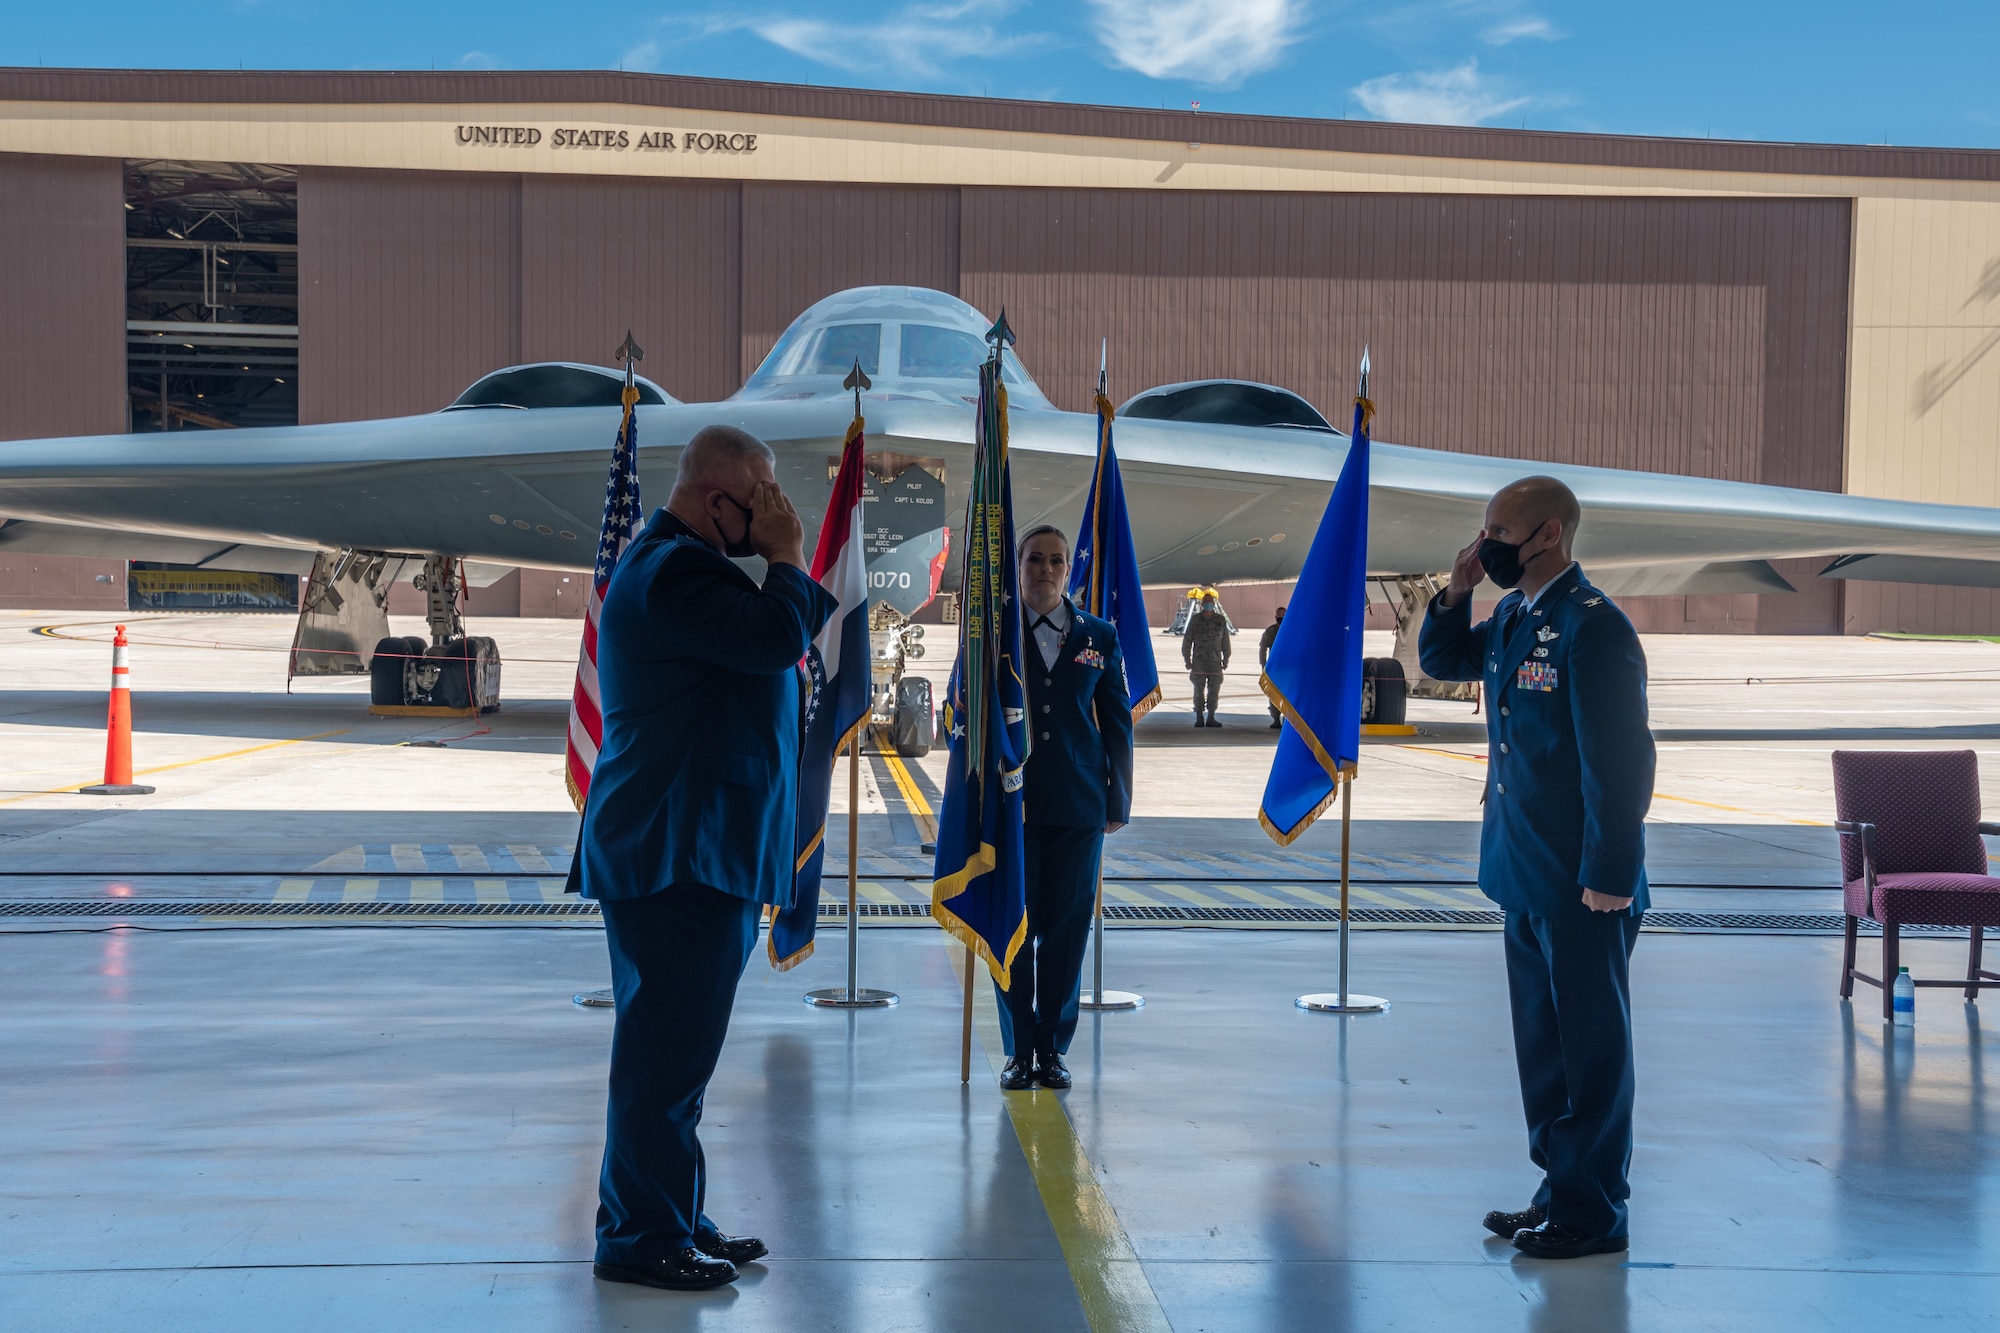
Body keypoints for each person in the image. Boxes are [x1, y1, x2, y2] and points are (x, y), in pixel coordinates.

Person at [573, 424, 837, 1291]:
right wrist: (791, 555)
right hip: (675, 852)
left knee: (677, 1055)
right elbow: (774, 638)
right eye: (763, 498)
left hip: (694, 848)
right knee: (663, 1055)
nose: (777, 513)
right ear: (719, 500)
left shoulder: (683, 565)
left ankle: (669, 1211)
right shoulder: (676, 570)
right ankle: (641, 1233)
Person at [1416, 475, 1654, 1262]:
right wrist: (1455, 590)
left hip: (1585, 882)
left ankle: (1594, 1210)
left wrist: (1611, 870)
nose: (1487, 544)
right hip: (1523, 869)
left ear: (1548, 534)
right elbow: (1445, 656)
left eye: (1498, 531)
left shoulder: (1594, 627)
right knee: (1543, 1048)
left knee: (1591, 1050)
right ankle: (1560, 1188)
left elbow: (1619, 763)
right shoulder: (1518, 614)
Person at [997, 524, 1135, 1091]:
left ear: (1067, 570)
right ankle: (1018, 1050)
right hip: (1013, 809)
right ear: (1019, 565)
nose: (1046, 569)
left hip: (1080, 808)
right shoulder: (997, 637)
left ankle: (1052, 1049)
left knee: (1067, 932)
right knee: (1011, 932)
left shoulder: (1099, 636)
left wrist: (1118, 796)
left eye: (1056, 560)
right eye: (1034, 560)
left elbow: (1118, 721)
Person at [1182, 591, 1231, 728]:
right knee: (1198, 690)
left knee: (1214, 690)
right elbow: (1187, 641)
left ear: (1213, 604)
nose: (1209, 605)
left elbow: (1225, 641)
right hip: (1199, 662)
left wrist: (1226, 658)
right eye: (1206, 602)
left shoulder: (1220, 620)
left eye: (1211, 602)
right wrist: (1187, 659)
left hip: (1215, 662)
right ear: (1202, 604)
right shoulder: (1196, 620)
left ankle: (1211, 717)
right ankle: (1199, 717)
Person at [1258, 605, 1287, 729]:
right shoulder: (1271, 631)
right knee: (1274, 694)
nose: (1280, 618)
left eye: (1283, 616)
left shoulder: (1294, 631)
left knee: (1288, 696)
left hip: (1289, 669)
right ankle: (1276, 718)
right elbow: (1263, 648)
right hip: (1274, 668)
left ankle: (1288, 719)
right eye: (1279, 616)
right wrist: (1263, 665)